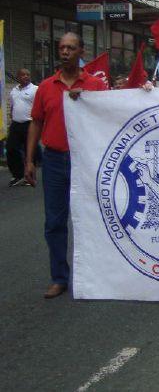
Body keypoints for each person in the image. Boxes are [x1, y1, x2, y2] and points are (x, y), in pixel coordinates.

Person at [25, 32, 108, 299]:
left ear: (81, 51)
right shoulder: (46, 87)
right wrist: (29, 160)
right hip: (53, 161)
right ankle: (59, 278)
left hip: (86, 160)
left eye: (71, 48)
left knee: (94, 217)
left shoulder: (95, 86)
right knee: (54, 222)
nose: (65, 52)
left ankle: (97, 275)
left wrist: (87, 101)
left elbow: (111, 117)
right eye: (61, 48)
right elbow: (36, 122)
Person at [7, 68, 38, 187]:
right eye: (23, 75)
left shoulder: (35, 89)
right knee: (11, 148)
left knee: (30, 151)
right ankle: (18, 174)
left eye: (28, 74)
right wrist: (12, 116)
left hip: (29, 124)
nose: (26, 76)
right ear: (18, 77)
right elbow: (12, 106)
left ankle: (30, 176)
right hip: (16, 124)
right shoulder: (13, 91)